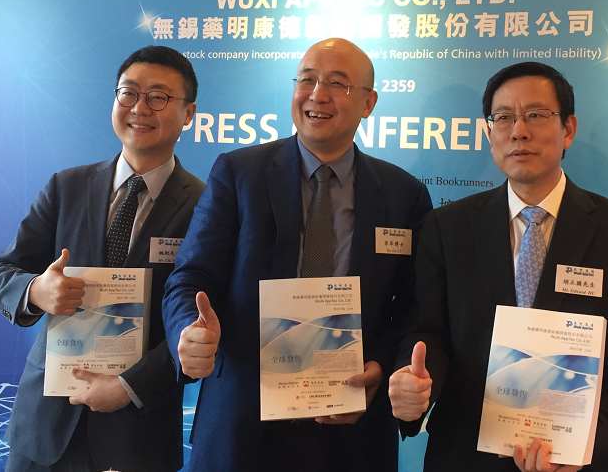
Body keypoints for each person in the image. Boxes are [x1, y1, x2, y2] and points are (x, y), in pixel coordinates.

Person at [388, 62, 608, 472]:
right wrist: (415, 384)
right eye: (503, 117)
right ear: (489, 132)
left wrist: (587, 442)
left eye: (536, 115)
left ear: (568, 129)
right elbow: (427, 332)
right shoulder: (447, 227)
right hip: (466, 457)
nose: (519, 131)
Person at [162, 38, 432, 472]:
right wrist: (186, 331)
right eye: (307, 80)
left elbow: (413, 308)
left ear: (368, 103)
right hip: (243, 425)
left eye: (337, 84)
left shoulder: (404, 194)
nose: (317, 95)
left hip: (352, 432)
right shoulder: (239, 174)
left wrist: (383, 367)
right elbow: (189, 277)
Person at [0, 45, 205, 472]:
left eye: (158, 97)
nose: (140, 107)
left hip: (137, 429)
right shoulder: (67, 187)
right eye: (128, 92)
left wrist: (128, 385)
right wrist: (36, 290)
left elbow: (198, 320)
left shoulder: (206, 205)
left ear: (188, 114)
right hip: (46, 426)